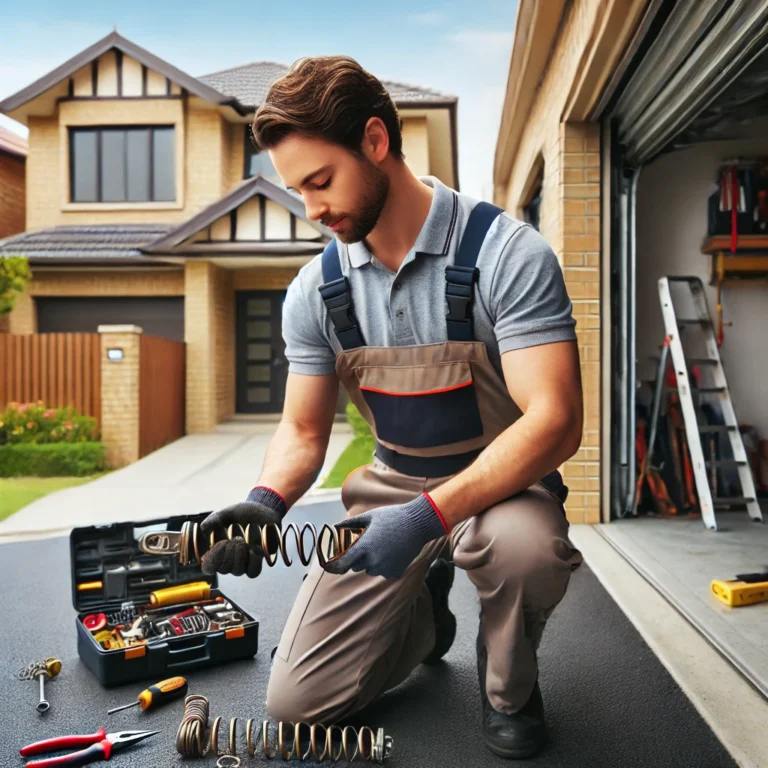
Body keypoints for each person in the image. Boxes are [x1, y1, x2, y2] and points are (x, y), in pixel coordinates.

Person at [199, 55, 584, 759]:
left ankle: (512, 689)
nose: (311, 210)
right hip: (393, 481)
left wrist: (430, 517)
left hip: (505, 484)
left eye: (320, 181)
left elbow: (554, 418)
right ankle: (424, 623)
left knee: (527, 553)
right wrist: (266, 499)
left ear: (375, 141)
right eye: (297, 191)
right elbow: (303, 428)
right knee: (297, 707)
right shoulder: (316, 290)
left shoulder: (508, 256)